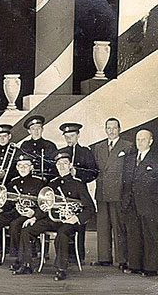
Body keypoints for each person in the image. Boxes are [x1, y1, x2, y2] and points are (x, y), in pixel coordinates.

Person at [14, 151, 95, 281]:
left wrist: (76, 218)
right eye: (59, 164)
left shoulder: (78, 184)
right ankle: (27, 264)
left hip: (69, 222)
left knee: (62, 234)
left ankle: (61, 269)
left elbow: (90, 208)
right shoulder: (52, 184)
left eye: (65, 163)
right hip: (52, 219)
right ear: (56, 166)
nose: (62, 166)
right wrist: (34, 217)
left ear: (70, 165)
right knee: (27, 230)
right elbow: (44, 206)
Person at [0, 153, 46, 267]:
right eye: (20, 166)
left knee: (15, 225)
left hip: (28, 213)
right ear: (16, 167)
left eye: (26, 165)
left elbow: (44, 203)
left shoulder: (39, 182)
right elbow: (9, 203)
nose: (23, 168)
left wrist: (34, 213)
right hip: (14, 212)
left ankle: (18, 258)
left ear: (31, 167)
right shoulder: (13, 182)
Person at [91, 118, 133, 268]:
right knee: (102, 227)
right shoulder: (98, 147)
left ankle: (122, 260)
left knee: (119, 227)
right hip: (102, 192)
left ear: (119, 129)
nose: (111, 131)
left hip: (118, 193)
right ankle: (104, 258)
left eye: (114, 128)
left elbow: (129, 172)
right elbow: (94, 169)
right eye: (108, 128)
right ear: (105, 129)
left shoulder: (127, 146)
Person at [57, 122, 98, 262]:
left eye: (72, 136)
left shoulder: (85, 152)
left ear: (78, 135)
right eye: (66, 137)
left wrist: (78, 173)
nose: (69, 139)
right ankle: (65, 256)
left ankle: (78, 257)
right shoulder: (61, 152)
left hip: (80, 193)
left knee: (79, 223)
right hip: (64, 195)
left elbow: (93, 172)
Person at [122, 129, 157, 277]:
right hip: (131, 204)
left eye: (143, 139)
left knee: (150, 235)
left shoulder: (155, 159)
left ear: (150, 141)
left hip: (150, 204)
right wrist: (125, 202)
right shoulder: (129, 159)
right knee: (133, 235)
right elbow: (125, 183)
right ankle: (135, 265)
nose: (140, 142)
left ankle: (151, 268)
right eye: (138, 139)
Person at [19, 115, 57, 180]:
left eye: (38, 128)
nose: (36, 131)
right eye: (33, 129)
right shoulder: (25, 145)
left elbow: (54, 166)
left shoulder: (50, 145)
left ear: (42, 129)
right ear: (29, 131)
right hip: (28, 178)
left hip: (46, 177)